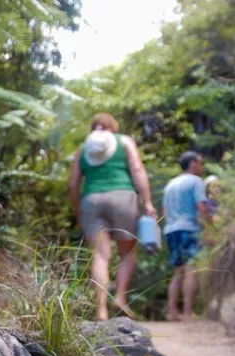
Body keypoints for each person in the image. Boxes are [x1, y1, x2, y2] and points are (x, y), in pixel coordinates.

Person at [70, 113, 157, 321]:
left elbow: (72, 185)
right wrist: (147, 202)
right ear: (112, 127)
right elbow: (137, 168)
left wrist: (79, 212)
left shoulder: (83, 149)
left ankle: (101, 310)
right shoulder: (124, 141)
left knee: (100, 256)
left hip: (91, 200)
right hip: (122, 197)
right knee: (127, 252)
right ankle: (119, 298)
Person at [163, 151, 209, 321]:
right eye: (200, 162)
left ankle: (172, 312)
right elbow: (202, 208)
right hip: (189, 228)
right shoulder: (196, 181)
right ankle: (188, 313)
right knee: (191, 269)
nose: (202, 166)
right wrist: (209, 227)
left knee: (177, 271)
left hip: (171, 229)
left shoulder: (170, 184)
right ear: (192, 164)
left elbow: (165, 212)